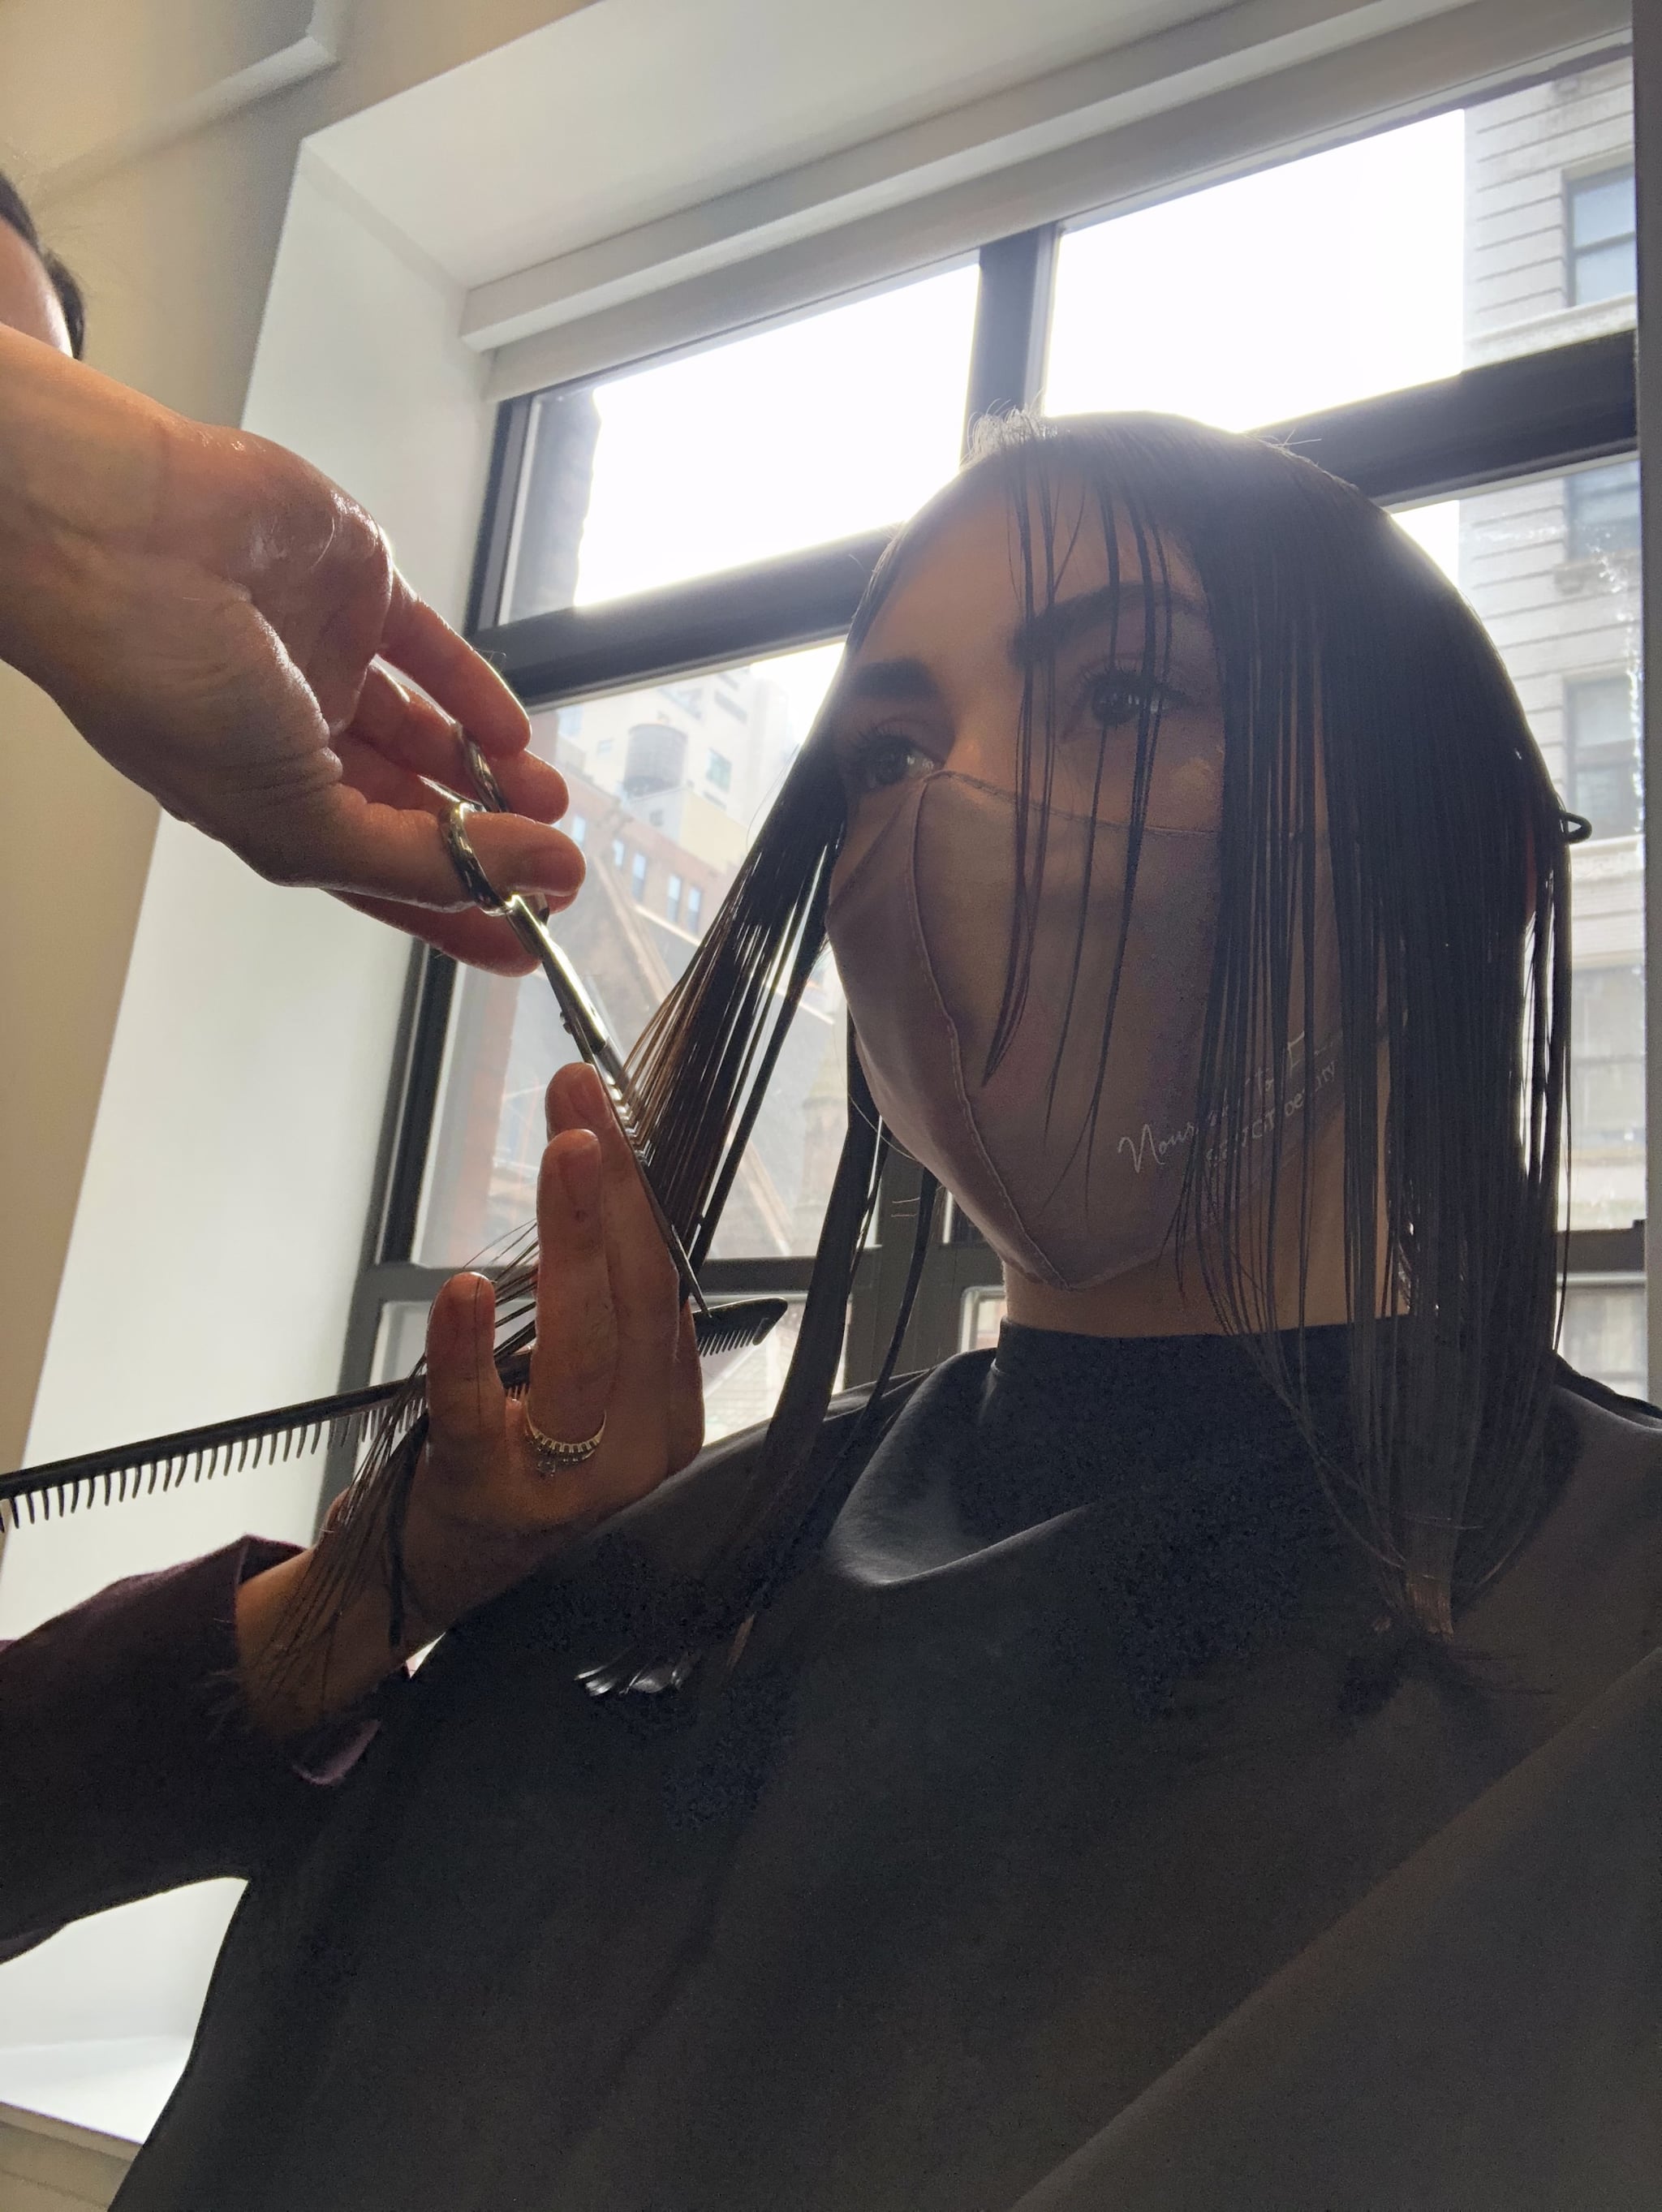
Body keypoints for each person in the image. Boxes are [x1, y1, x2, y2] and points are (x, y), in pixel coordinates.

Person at [6, 275, 1662, 2206]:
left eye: (1128, 698)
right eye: (881, 754)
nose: (946, 811)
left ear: (1447, 851)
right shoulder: (643, 1596)